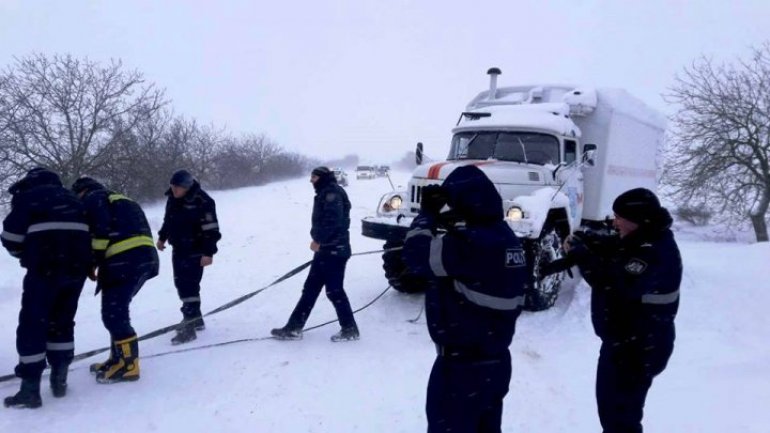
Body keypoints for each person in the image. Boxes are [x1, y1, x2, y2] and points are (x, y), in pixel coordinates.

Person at [402, 165, 527, 433]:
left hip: (461, 370)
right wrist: (452, 221)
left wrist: (427, 215)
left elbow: (415, 255)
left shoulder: (470, 246)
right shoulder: (508, 240)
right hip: (495, 364)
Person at [563, 187, 682, 433]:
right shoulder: (645, 238)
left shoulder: (653, 251)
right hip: (628, 342)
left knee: (620, 419)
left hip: (637, 348)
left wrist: (583, 256)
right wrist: (591, 240)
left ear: (636, 220)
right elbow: (619, 249)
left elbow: (616, 284)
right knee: (614, 414)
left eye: (619, 217)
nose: (614, 221)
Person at [1, 168, 91, 408]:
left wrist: (23, 252)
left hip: (46, 268)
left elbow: (10, 236)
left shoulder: (29, 196)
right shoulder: (73, 198)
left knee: (34, 322)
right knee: (62, 322)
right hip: (76, 270)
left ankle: (30, 389)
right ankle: (59, 380)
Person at [71, 177, 160, 383]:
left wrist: (92, 262)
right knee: (116, 312)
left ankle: (129, 366)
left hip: (124, 261)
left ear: (82, 191)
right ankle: (117, 359)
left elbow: (100, 233)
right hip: (143, 260)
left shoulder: (94, 198)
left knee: (114, 314)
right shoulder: (121, 199)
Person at [271, 166, 360, 342]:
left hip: (334, 251)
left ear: (323, 178)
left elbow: (332, 221)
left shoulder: (332, 193)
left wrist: (318, 240)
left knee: (334, 291)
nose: (311, 180)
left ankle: (350, 329)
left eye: (314, 177)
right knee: (310, 289)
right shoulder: (326, 192)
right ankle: (294, 327)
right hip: (326, 251)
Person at [157, 169, 221, 345]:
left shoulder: (203, 201)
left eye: (178, 187)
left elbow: (212, 230)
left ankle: (189, 326)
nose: (174, 190)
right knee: (181, 284)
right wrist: (162, 237)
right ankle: (196, 319)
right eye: (172, 186)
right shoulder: (172, 198)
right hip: (178, 248)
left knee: (189, 287)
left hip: (196, 250)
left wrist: (208, 253)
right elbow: (168, 220)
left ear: (187, 186)